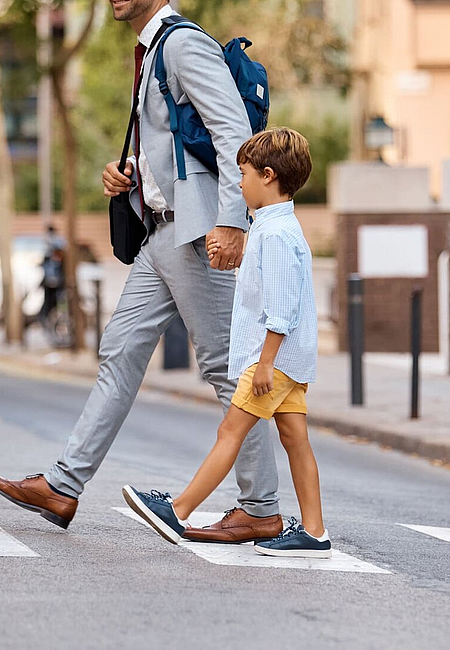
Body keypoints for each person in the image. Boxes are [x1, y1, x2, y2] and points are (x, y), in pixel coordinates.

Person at [0, 0, 281, 542]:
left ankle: (262, 506)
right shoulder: (151, 52)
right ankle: (64, 486)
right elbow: (176, 146)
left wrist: (232, 220)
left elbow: (232, 135)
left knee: (226, 367)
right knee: (119, 354)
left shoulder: (182, 45)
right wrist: (131, 176)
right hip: (163, 233)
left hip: (195, 234)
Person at [122, 128, 331, 558]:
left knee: (229, 431)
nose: (238, 184)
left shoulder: (273, 236)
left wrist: (266, 363)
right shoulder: (281, 228)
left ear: (268, 176)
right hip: (291, 359)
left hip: (272, 360)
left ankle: (177, 511)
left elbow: (280, 308)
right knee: (295, 439)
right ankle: (315, 532)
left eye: (244, 174)